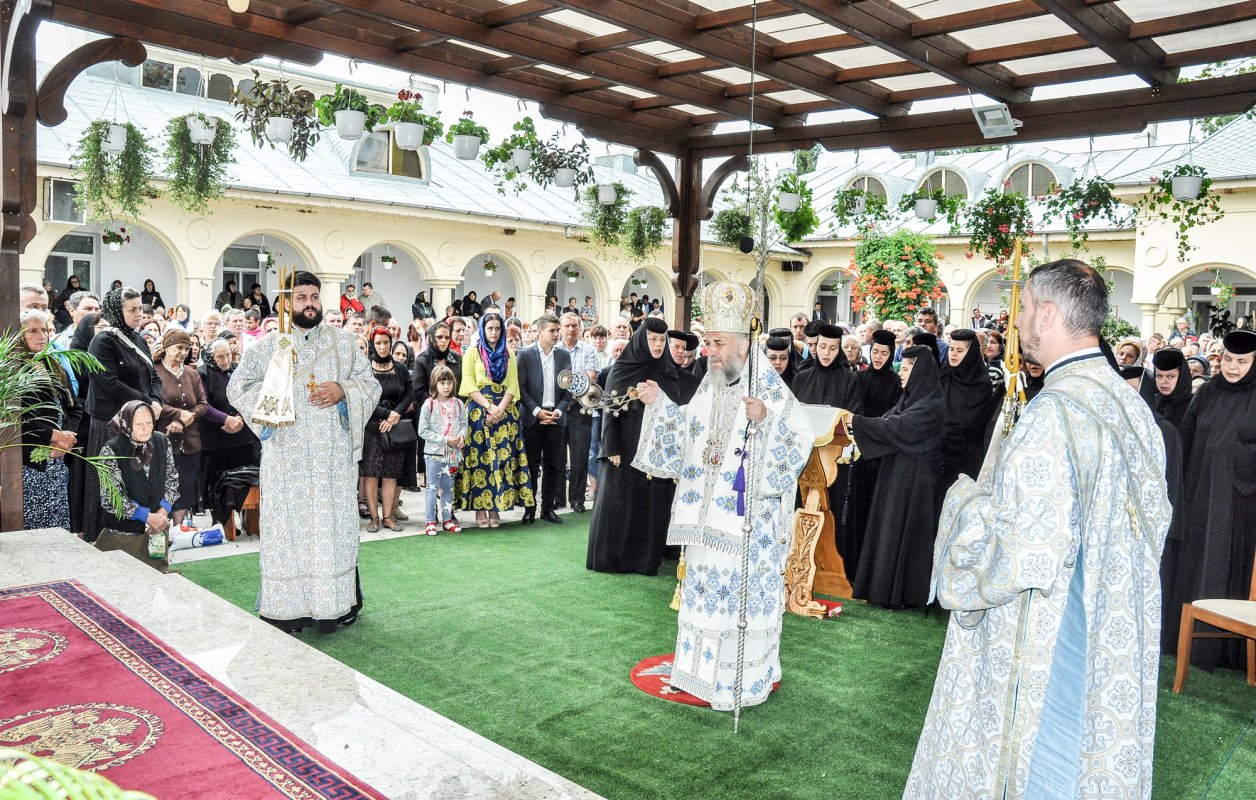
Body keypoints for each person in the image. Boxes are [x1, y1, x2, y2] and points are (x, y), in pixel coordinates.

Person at [906, 259, 1172, 798]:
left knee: (1039, 770)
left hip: (1056, 640)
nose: (1018, 321)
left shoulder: (1054, 413)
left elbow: (1025, 552)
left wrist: (966, 507)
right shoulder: (1130, 405)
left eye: (1024, 308)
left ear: (1047, 314)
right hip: (1115, 631)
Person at [634, 281, 811, 710]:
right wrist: (659, 405)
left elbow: (799, 443)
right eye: (708, 342)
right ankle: (697, 673)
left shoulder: (767, 388)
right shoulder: (710, 384)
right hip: (706, 522)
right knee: (704, 594)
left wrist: (766, 420)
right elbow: (686, 433)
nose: (708, 350)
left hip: (746, 525)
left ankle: (741, 679)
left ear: (741, 344)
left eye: (717, 343)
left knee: (737, 604)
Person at [228, 271, 381, 634]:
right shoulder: (270, 346)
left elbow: (370, 385)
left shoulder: (344, 344)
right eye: (301, 298)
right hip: (286, 461)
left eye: (314, 297)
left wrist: (344, 391)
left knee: (330, 532)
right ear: (286, 302)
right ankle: (288, 608)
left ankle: (334, 606)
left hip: (331, 464)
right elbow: (238, 387)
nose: (309, 303)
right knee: (290, 532)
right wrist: (269, 411)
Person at [1171, 328, 1256, 671]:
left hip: (1242, 507)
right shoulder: (1206, 393)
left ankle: (1230, 654)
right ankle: (1190, 643)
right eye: (1229, 360)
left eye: (1243, 362)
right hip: (1201, 499)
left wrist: (1233, 457)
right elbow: (1187, 441)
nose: (1234, 368)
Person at [846, 345, 942, 607]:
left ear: (920, 371)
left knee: (902, 534)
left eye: (908, 367)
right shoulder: (909, 398)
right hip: (897, 477)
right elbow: (888, 420)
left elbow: (897, 427)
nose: (901, 372)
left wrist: (856, 421)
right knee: (888, 531)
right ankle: (882, 590)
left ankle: (902, 594)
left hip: (915, 483)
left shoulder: (931, 404)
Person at [587, 318, 681, 575]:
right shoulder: (622, 367)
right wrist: (611, 448)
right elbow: (609, 409)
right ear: (642, 339)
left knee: (647, 505)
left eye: (662, 340)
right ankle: (613, 560)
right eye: (653, 339)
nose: (659, 344)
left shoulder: (667, 368)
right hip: (624, 448)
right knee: (620, 503)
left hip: (654, 451)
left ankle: (644, 561)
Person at [83, 287, 163, 543]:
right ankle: (101, 536)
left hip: (139, 420)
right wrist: (146, 401)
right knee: (110, 481)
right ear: (118, 312)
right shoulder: (103, 340)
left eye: (140, 308)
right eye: (132, 309)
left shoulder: (139, 339)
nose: (139, 313)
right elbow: (108, 381)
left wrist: (156, 400)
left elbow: (153, 376)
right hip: (111, 422)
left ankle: (137, 534)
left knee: (137, 479)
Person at [790, 323, 863, 572]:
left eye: (832, 348)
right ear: (815, 347)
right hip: (803, 458)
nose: (826, 353)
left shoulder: (850, 380)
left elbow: (852, 419)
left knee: (830, 508)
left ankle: (828, 568)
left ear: (838, 350)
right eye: (822, 347)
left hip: (833, 461)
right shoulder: (802, 377)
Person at [458, 312, 533, 527]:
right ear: (483, 329)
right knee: (480, 460)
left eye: (497, 328)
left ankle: (495, 507)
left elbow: (513, 385)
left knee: (501, 460)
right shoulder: (472, 353)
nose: (493, 332)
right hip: (479, 412)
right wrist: (489, 406)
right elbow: (469, 385)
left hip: (505, 413)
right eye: (489, 328)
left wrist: (500, 408)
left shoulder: (509, 353)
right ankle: (480, 510)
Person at [95, 400, 179, 572]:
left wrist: (161, 513)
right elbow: (111, 498)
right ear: (126, 424)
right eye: (139, 424)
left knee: (157, 580)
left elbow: (173, 481)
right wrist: (147, 517)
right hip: (123, 536)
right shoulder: (111, 450)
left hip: (156, 531)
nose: (145, 428)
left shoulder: (162, 441)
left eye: (149, 423)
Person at [18, 310, 80, 530]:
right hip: (29, 461)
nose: (41, 335)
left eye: (44, 330)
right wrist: (54, 436)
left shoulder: (53, 364)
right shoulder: (13, 370)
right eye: (32, 331)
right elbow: (17, 419)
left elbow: (75, 407)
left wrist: (67, 438)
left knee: (56, 525)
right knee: (34, 524)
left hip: (58, 456)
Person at [517, 314, 573, 525]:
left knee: (553, 465)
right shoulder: (525, 355)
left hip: (556, 418)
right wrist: (536, 411)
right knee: (531, 465)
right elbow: (521, 388)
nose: (556, 334)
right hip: (533, 418)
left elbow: (569, 388)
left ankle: (547, 508)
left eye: (557, 330)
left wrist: (558, 412)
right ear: (539, 331)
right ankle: (529, 509)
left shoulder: (564, 355)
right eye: (552, 330)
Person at [197, 338, 259, 528]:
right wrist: (226, 419)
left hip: (242, 435)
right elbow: (204, 404)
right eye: (220, 356)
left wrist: (239, 417)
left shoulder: (238, 369)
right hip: (216, 437)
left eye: (228, 355)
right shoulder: (202, 373)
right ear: (210, 357)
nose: (225, 360)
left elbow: (250, 395)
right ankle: (222, 521)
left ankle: (250, 521)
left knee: (247, 476)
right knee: (219, 482)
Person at [360, 327, 413, 533]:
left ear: (391, 343)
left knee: (391, 475)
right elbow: (365, 397)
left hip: (395, 426)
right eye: (378, 343)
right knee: (372, 474)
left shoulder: (399, 368)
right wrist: (385, 414)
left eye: (386, 342)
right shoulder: (365, 368)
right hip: (373, 425)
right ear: (373, 344)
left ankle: (388, 517)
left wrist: (395, 415)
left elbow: (409, 394)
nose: (382, 347)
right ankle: (374, 517)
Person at [154, 329, 208, 529]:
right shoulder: (155, 371)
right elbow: (153, 401)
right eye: (179, 347)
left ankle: (179, 529)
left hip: (190, 440)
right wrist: (176, 415)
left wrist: (184, 421)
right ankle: (161, 527)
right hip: (162, 438)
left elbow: (203, 404)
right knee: (163, 484)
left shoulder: (192, 374)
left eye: (187, 348)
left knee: (185, 484)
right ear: (166, 347)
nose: (183, 352)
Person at [939, 327, 998, 492]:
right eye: (951, 349)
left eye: (959, 350)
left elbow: (971, 421)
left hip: (965, 457)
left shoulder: (980, 383)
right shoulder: (944, 373)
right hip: (937, 454)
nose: (953, 354)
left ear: (970, 352)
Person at [417, 364, 465, 536]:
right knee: (431, 487)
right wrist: (445, 440)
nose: (446, 386)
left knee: (448, 487)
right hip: (433, 455)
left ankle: (447, 519)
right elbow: (422, 431)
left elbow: (464, 425)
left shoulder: (459, 404)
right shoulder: (428, 405)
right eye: (442, 382)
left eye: (449, 382)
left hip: (452, 455)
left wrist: (461, 437)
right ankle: (430, 521)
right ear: (434, 384)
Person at [557, 312, 598, 512]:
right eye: (567, 325)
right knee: (556, 456)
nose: (571, 329)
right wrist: (563, 399)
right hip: (556, 409)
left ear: (580, 328)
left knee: (580, 457)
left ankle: (577, 499)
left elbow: (590, 377)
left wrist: (570, 395)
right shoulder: (554, 349)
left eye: (574, 325)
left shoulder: (589, 350)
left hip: (580, 409)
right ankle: (557, 498)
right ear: (561, 328)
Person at [1150, 348, 1192, 430]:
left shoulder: (1193, 405)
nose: (1163, 381)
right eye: (1159, 376)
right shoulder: (1151, 401)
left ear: (1181, 377)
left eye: (1170, 376)